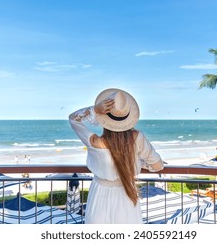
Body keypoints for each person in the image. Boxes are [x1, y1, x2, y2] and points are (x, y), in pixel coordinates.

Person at [69, 88, 164, 224]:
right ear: (128, 117)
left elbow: (73, 119)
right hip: (126, 193)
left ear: (104, 119)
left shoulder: (95, 142)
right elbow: (158, 165)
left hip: (99, 193)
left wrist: (95, 109)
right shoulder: (137, 138)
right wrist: (138, 163)